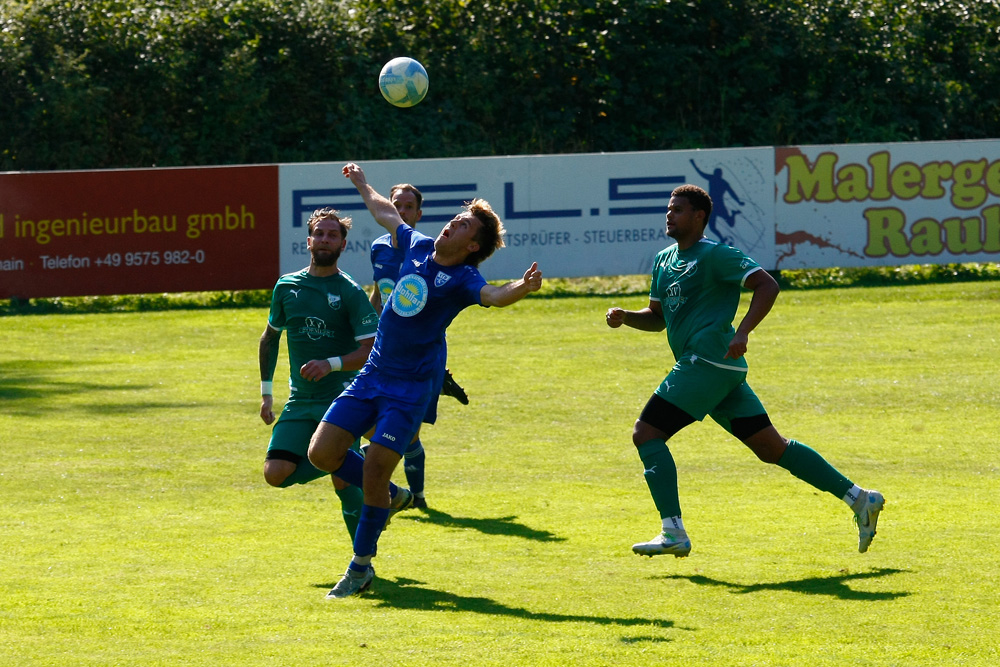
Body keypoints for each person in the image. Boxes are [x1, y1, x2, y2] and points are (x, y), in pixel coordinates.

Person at [605, 184, 884, 559]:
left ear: (699, 217)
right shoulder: (662, 261)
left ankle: (672, 531)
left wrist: (743, 331)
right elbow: (656, 319)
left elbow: (767, 285)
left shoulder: (716, 255)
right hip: (719, 371)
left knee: (647, 433)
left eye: (678, 210)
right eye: (669, 209)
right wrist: (627, 318)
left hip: (706, 362)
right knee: (772, 448)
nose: (669, 215)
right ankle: (860, 498)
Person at [308, 162, 543, 599]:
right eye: (456, 217)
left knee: (375, 468)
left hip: (409, 388)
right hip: (372, 373)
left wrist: (522, 288)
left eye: (462, 225)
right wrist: (361, 183)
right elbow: (385, 213)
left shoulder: (464, 279)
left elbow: (493, 296)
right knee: (322, 453)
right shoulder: (415, 244)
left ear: (472, 245)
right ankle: (393, 496)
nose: (452, 224)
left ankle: (360, 567)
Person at [259, 207, 379, 542]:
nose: (325, 239)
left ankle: (363, 559)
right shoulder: (286, 286)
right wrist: (266, 392)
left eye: (333, 235)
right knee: (275, 474)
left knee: (342, 481)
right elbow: (270, 337)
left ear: (343, 245)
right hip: (300, 400)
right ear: (309, 240)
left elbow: (371, 349)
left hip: (341, 399)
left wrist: (332, 363)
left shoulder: (349, 291)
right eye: (320, 233)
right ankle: (356, 462)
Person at [369, 182, 469, 510]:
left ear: (418, 214)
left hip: (422, 353)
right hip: (385, 349)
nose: (401, 210)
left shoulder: (427, 252)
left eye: (408, 206)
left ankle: (416, 497)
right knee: (376, 419)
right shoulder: (379, 248)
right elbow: (381, 292)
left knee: (407, 431)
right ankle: (398, 493)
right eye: (396, 203)